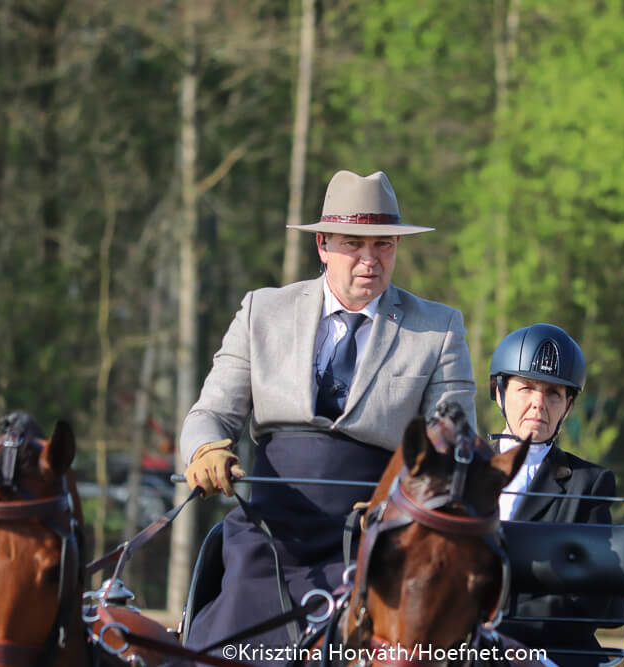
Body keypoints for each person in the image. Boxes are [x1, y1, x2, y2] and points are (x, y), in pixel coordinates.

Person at [179, 169, 477, 659]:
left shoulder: (438, 329)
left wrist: (393, 505)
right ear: (322, 245)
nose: (369, 259)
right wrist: (207, 449)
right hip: (269, 531)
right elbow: (210, 412)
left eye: (383, 245)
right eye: (352, 244)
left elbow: (453, 444)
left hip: (376, 539)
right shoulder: (262, 312)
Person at [489, 323, 618, 667]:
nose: (539, 404)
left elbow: (588, 598)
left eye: (553, 394)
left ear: (568, 406)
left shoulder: (589, 483)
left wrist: (500, 632)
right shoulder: (458, 469)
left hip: (548, 650)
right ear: (499, 393)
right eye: (526, 388)